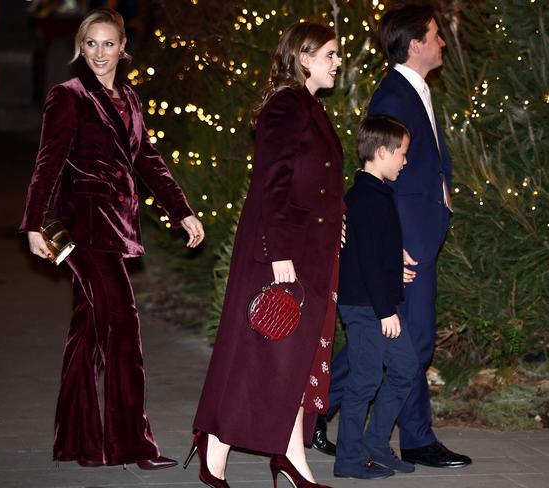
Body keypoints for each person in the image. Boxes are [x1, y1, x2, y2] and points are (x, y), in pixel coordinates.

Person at [19, 7, 204, 470]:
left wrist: (181, 211)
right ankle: (131, 445)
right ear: (81, 48)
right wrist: (33, 224)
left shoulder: (130, 98)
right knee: (123, 329)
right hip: (81, 230)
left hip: (117, 225)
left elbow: (148, 161)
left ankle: (77, 441)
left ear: (124, 47)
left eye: (108, 44)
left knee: (89, 331)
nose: (99, 53)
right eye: (90, 44)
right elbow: (48, 163)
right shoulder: (68, 96)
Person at [187, 21, 346, 488]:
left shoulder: (310, 105)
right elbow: (271, 183)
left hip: (309, 248)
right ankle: (215, 447)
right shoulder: (286, 104)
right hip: (282, 250)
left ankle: (291, 452)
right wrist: (279, 254)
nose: (338, 63)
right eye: (331, 55)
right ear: (305, 57)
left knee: (291, 358)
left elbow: (317, 180)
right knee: (261, 352)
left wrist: (338, 222)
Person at [322, 2, 472, 468]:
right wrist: (398, 248)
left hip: (417, 238)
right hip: (405, 245)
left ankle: (310, 411)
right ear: (414, 44)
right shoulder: (393, 97)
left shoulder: (417, 90)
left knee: (389, 344)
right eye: (435, 34)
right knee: (409, 343)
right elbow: (386, 181)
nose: (442, 41)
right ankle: (414, 439)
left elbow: (425, 166)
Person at [333, 115, 418, 480]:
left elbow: (371, 251)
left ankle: (377, 446)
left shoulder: (378, 193)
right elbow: (364, 259)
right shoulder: (365, 198)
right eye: (401, 153)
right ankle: (349, 460)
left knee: (404, 369)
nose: (405, 160)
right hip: (366, 307)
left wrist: (393, 268)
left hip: (379, 302)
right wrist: (385, 310)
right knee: (365, 380)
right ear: (382, 152)